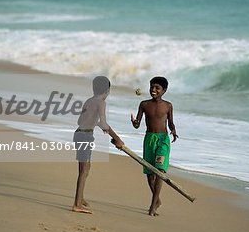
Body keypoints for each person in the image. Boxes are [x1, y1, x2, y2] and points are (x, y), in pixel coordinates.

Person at [72, 76, 124, 214]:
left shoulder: (89, 101)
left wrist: (94, 123)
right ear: (107, 90)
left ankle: (80, 198)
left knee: (86, 167)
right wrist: (117, 138)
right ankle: (77, 204)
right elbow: (104, 123)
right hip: (85, 136)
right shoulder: (101, 103)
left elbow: (80, 121)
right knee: (83, 171)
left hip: (79, 134)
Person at [131, 76, 178, 216]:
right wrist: (134, 122)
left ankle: (152, 206)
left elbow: (170, 122)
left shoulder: (168, 105)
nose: (153, 90)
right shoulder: (144, 104)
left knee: (160, 171)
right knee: (150, 174)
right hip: (149, 139)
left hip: (163, 140)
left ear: (164, 90)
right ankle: (157, 200)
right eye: (152, 87)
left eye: (157, 88)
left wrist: (174, 130)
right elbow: (138, 124)